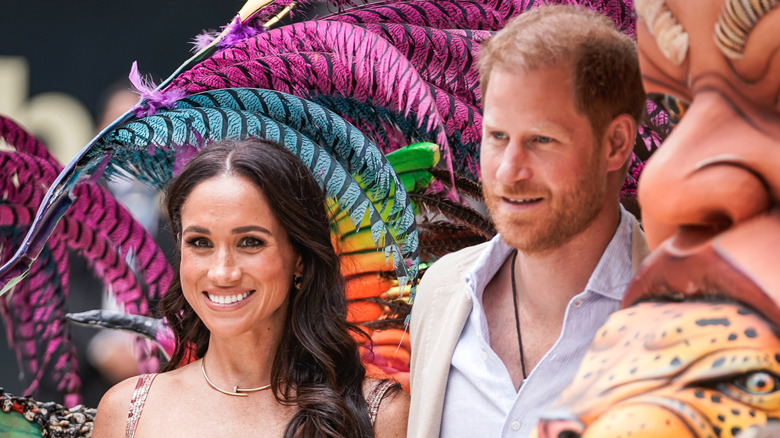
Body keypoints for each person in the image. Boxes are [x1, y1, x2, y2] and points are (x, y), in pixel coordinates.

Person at [407, 5, 649, 437]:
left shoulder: (691, 314)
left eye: (541, 140)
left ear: (615, 143)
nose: (508, 171)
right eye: (497, 137)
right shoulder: (441, 294)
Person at [92, 138, 409, 438]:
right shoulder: (127, 411)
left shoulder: (382, 415)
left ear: (299, 257)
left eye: (250, 242)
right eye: (200, 242)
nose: (222, 272)